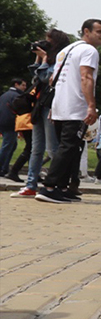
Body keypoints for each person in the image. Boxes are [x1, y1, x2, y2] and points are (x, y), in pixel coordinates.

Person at [35, 19, 101, 204]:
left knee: (71, 148)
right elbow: (86, 77)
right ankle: (49, 187)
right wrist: (91, 105)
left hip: (60, 107)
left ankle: (62, 187)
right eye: (99, 31)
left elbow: (53, 80)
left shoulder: (66, 51)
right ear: (86, 31)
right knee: (68, 148)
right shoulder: (89, 51)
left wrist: (54, 108)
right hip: (75, 107)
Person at [10, 30, 70, 199]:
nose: (45, 43)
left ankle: (57, 185)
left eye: (48, 41)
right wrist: (38, 58)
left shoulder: (62, 59)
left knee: (53, 148)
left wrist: (44, 59)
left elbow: (48, 77)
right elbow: (36, 80)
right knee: (36, 149)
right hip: (39, 106)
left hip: (52, 106)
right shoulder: (49, 59)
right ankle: (30, 185)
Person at [0, 79, 29, 178]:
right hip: (10, 123)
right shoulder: (17, 96)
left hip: (3, 122)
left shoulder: (4, 95)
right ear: (16, 84)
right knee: (8, 145)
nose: (25, 88)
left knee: (11, 145)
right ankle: (2, 167)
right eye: (23, 85)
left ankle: (5, 167)